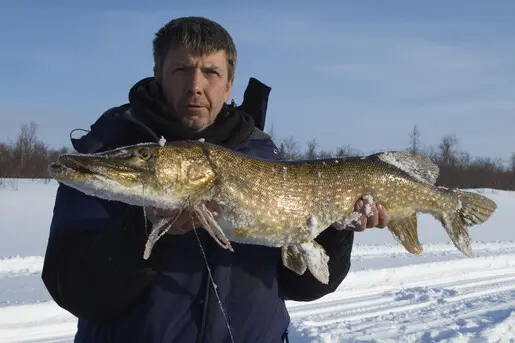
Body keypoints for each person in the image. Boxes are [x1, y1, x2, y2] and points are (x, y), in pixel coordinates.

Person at [41, 16, 389, 343]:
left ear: (229, 84)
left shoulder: (263, 154)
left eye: (210, 72)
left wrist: (336, 228)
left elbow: (304, 287)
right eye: (181, 70)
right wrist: (146, 228)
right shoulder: (113, 150)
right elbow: (72, 289)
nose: (195, 86)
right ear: (158, 74)